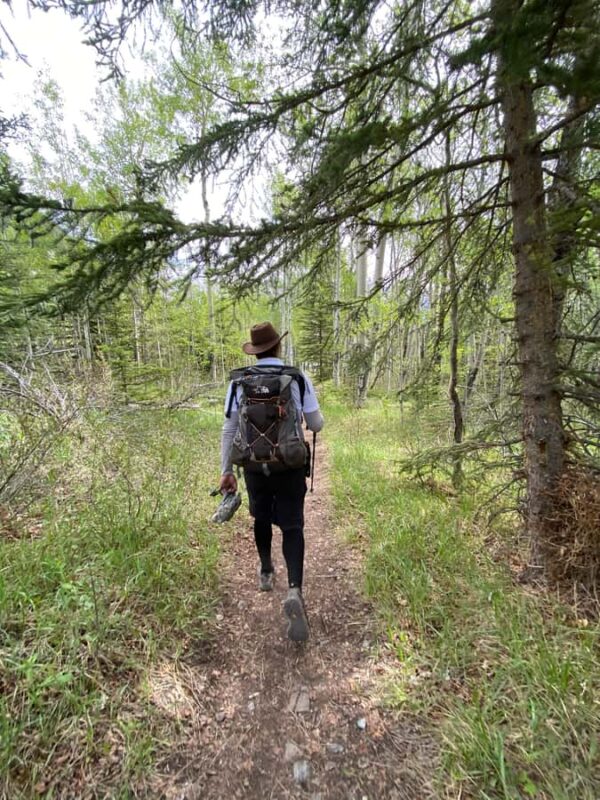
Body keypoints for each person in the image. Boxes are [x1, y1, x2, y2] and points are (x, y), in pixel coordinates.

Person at [220, 322, 324, 642]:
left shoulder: (239, 382)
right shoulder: (296, 377)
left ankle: (266, 571)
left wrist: (226, 471)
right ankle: (294, 590)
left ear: (255, 352)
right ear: (278, 347)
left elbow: (229, 429)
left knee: (261, 518)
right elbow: (316, 422)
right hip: (290, 464)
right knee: (292, 526)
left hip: (253, 465)